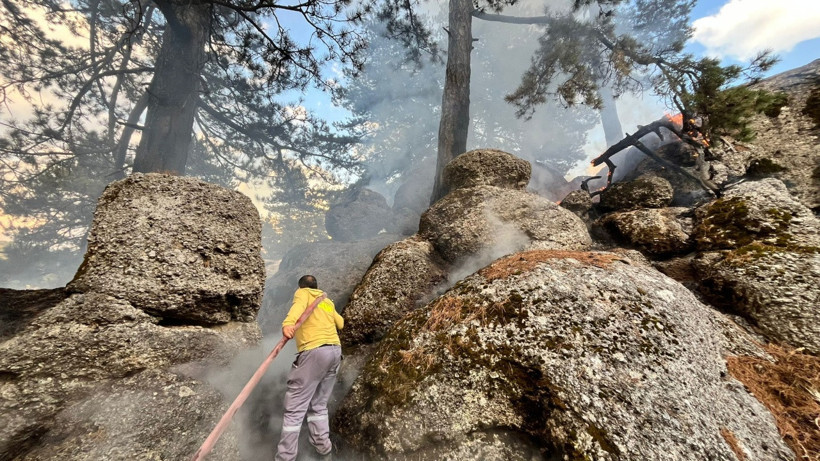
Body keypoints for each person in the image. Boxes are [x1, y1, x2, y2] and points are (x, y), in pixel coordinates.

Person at [275, 275, 344, 461]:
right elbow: (341, 323)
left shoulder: (302, 293)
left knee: (294, 410)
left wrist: (288, 324)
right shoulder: (326, 300)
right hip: (335, 351)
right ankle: (324, 451)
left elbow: (297, 309)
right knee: (319, 406)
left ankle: (285, 458)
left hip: (314, 352)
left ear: (301, 287)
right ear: (316, 286)